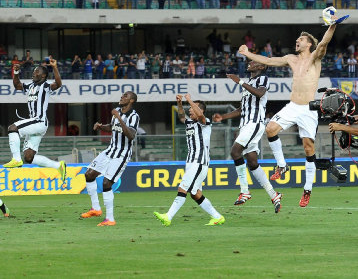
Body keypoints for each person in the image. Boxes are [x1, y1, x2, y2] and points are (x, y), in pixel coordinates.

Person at [238, 11, 344, 207]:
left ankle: (307, 190)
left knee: (308, 148)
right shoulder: (291, 58)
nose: (297, 41)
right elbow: (269, 61)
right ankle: (282, 165)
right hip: (293, 106)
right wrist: (247, 53)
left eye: (300, 39)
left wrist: (332, 25)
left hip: (309, 109)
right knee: (270, 128)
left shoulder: (315, 57)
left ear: (308, 44)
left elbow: (323, 44)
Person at [213, 63, 283, 212]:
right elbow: (241, 109)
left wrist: (239, 81)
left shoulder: (263, 79)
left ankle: (244, 190)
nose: (250, 63)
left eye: (254, 62)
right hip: (245, 124)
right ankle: (274, 194)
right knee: (252, 163)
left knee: (235, 152)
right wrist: (223, 117)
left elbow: (260, 93)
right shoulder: (249, 83)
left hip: (254, 123)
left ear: (262, 67)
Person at [154, 94, 225, 227]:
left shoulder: (205, 122)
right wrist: (180, 104)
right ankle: (217, 217)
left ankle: (168, 216)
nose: (190, 110)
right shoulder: (190, 123)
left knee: (183, 187)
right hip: (192, 161)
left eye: (193, 108)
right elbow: (181, 116)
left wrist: (190, 100)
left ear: (200, 110)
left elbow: (201, 117)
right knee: (195, 193)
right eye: (190, 108)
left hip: (199, 161)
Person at [3, 57, 67, 183]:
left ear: (43, 76)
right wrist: (16, 73)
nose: (34, 72)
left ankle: (16, 159)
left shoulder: (46, 86)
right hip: (36, 124)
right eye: (34, 71)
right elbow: (17, 85)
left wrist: (54, 67)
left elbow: (58, 84)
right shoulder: (31, 86)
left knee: (13, 128)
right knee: (29, 157)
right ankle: (58, 166)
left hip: (39, 121)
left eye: (37, 71)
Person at [81, 91, 139, 226]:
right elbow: (113, 128)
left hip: (122, 154)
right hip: (110, 150)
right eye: (122, 95)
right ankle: (95, 208)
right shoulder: (117, 110)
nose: (122, 97)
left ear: (131, 101)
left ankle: (110, 219)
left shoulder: (134, 116)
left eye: (125, 96)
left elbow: (131, 135)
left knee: (106, 183)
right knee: (89, 175)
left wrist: (119, 118)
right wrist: (102, 127)